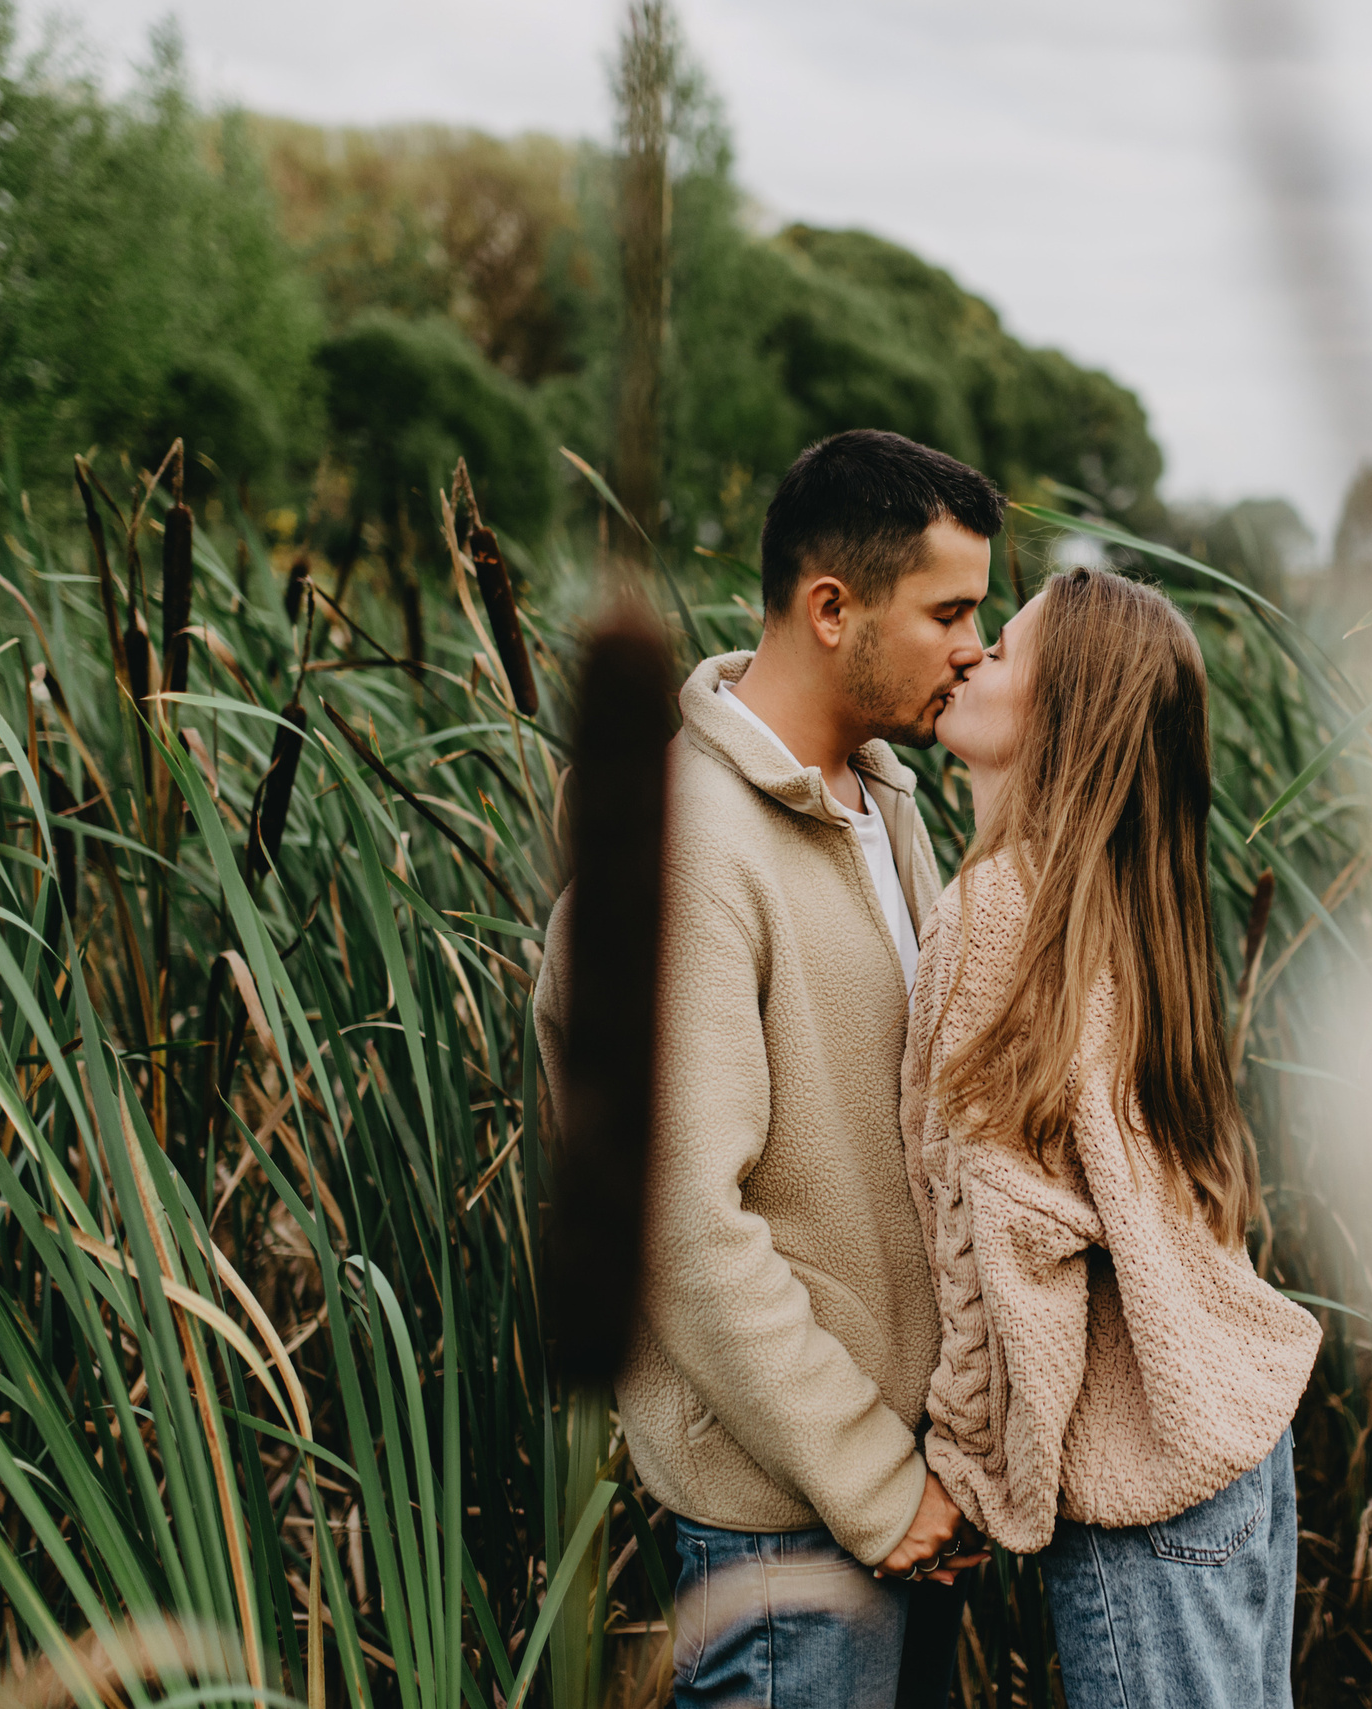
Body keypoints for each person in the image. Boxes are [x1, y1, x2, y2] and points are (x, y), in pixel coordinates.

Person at [539, 429, 999, 1708]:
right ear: (832, 607)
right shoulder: (689, 851)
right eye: (949, 610)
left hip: (905, 1495)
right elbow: (682, 1222)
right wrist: (872, 1480)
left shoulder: (883, 800)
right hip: (789, 1518)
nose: (976, 643)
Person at [901, 567, 1322, 1708]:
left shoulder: (997, 912)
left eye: (1004, 654)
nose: (971, 655)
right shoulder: (1124, 905)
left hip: (1146, 1470)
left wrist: (969, 1472)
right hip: (1237, 1441)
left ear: (1056, 718)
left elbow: (1007, 1237)